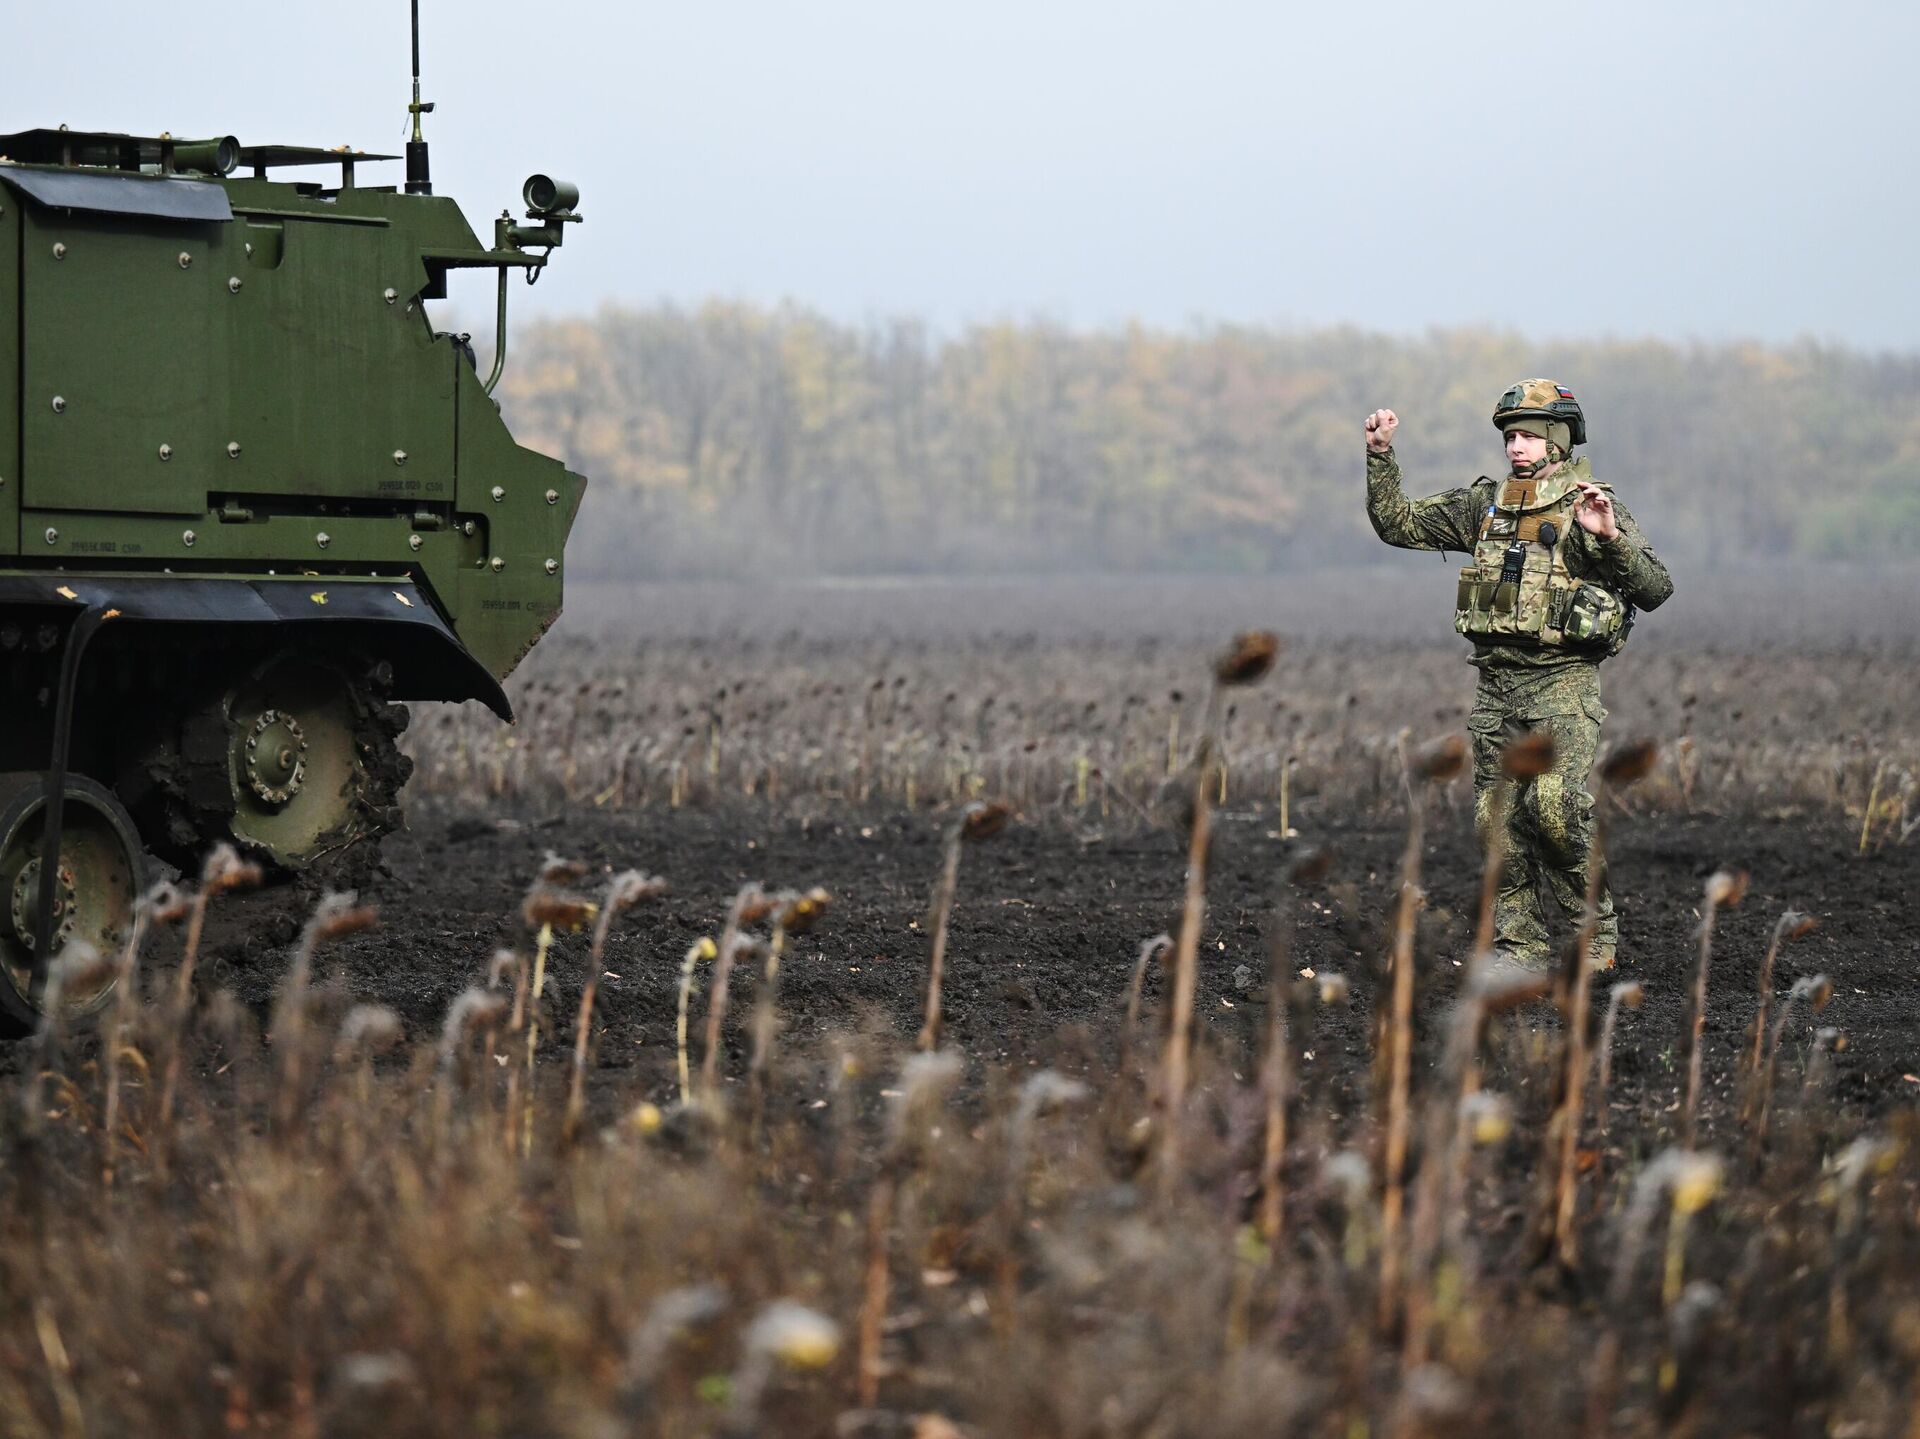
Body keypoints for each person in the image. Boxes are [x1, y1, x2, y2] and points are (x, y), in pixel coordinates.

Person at [1362, 380, 1673, 970]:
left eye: (1528, 436)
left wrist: (1610, 538)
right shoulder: (1485, 506)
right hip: (1496, 687)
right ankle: (1520, 947)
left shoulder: (1589, 505)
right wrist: (1380, 455)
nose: (1515, 447)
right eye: (1509, 437)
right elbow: (1397, 524)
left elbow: (1655, 589)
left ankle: (1595, 938)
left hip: (1562, 683)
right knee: (1495, 820)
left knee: (1555, 809)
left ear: (1558, 441)